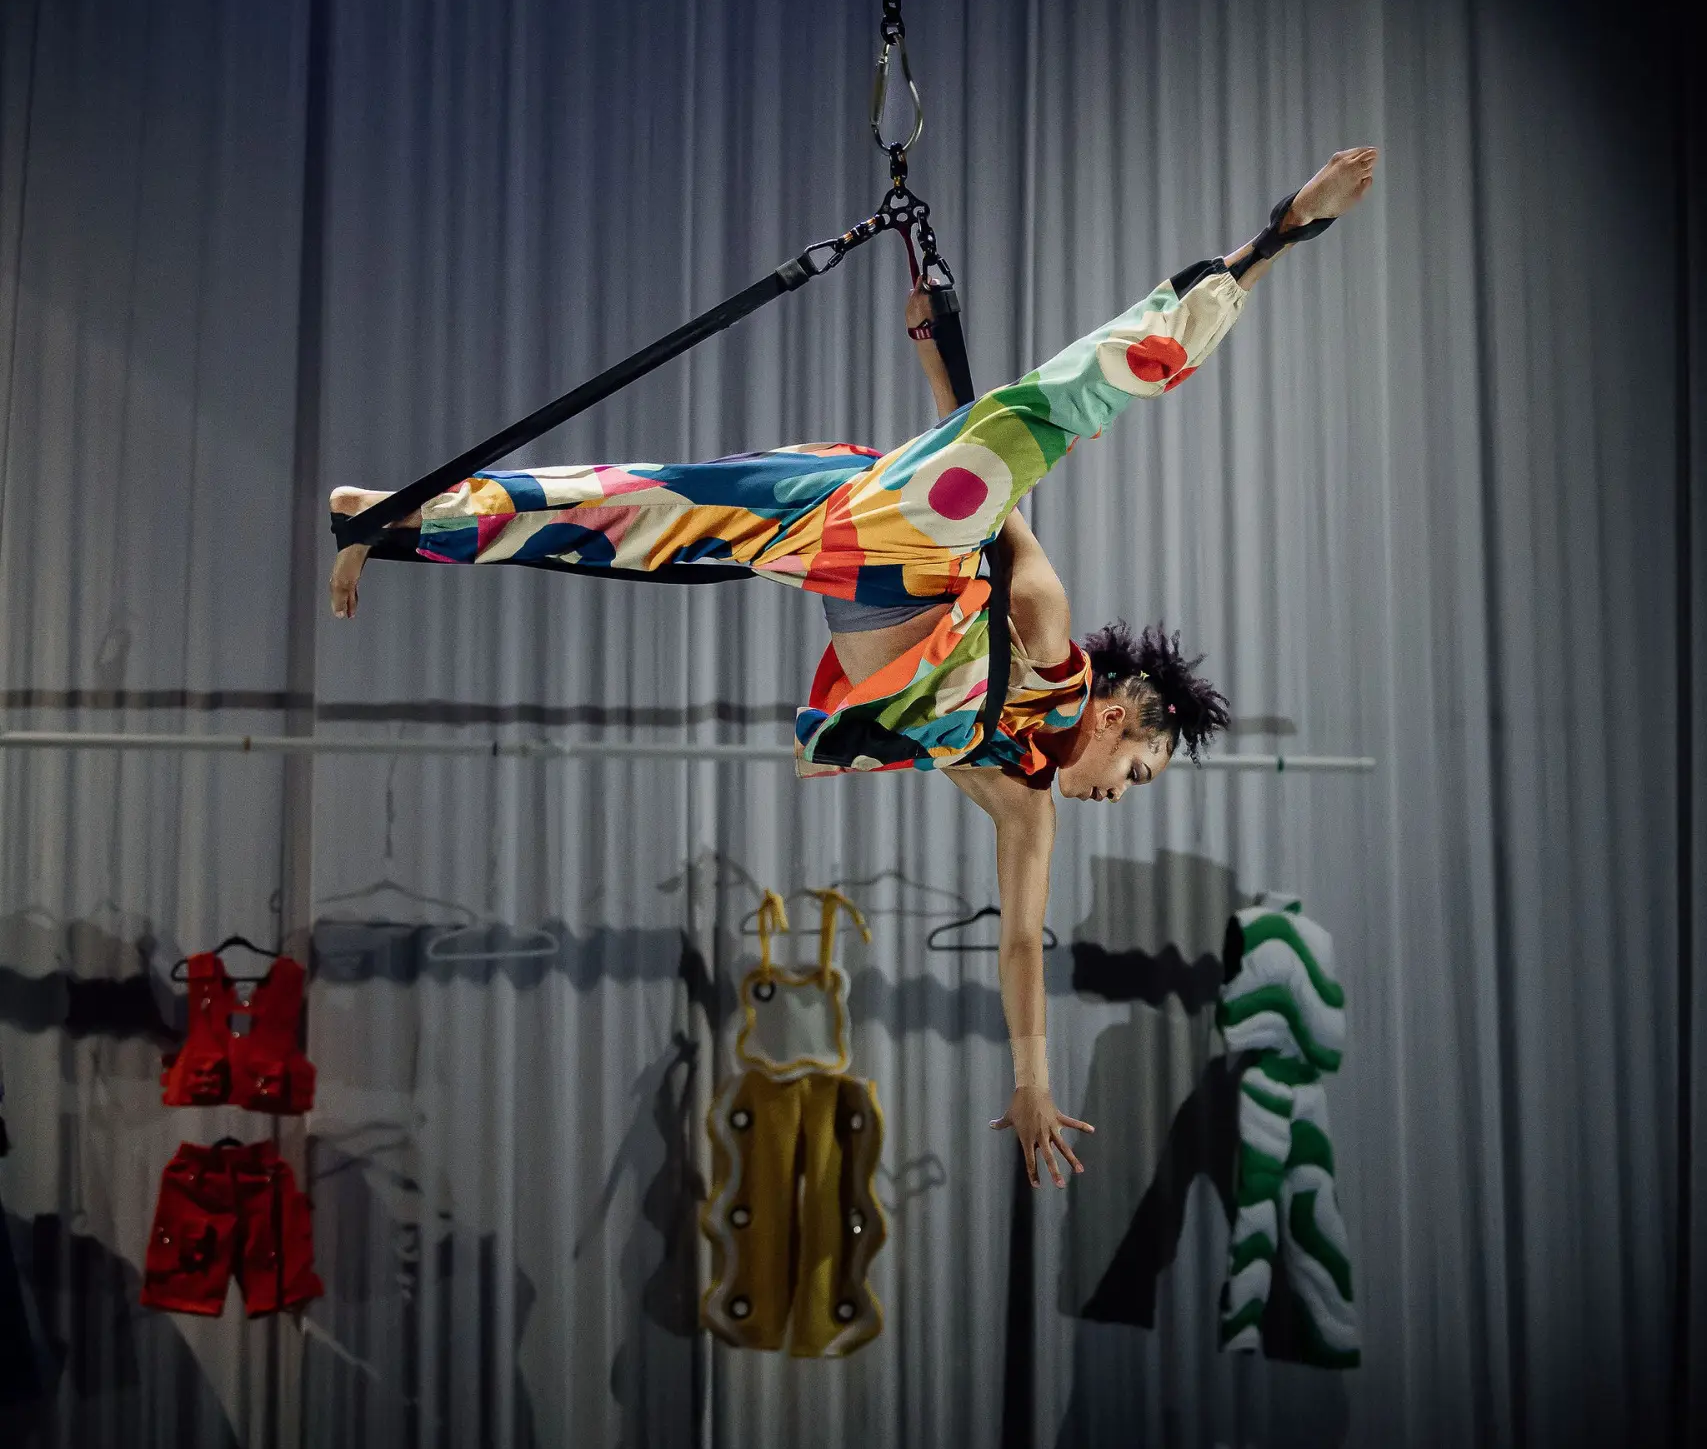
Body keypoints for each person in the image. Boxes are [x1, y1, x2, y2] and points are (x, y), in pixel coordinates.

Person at [330, 147, 1378, 1188]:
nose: (1118, 793)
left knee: (637, 515)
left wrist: (1030, 1077)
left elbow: (1020, 944)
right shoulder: (1055, 664)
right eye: (1138, 771)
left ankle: (388, 524)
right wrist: (947, 376)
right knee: (1072, 398)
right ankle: (1277, 234)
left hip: (835, 538)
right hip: (903, 528)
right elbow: (995, 491)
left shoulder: (1021, 796)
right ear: (1120, 713)